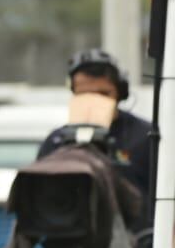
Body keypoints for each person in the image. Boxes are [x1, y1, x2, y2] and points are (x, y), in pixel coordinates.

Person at [37, 49, 156, 222]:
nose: (94, 101)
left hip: (137, 242)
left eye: (103, 94)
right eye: (84, 95)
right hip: (72, 241)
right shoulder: (57, 141)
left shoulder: (147, 137)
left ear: (120, 93)